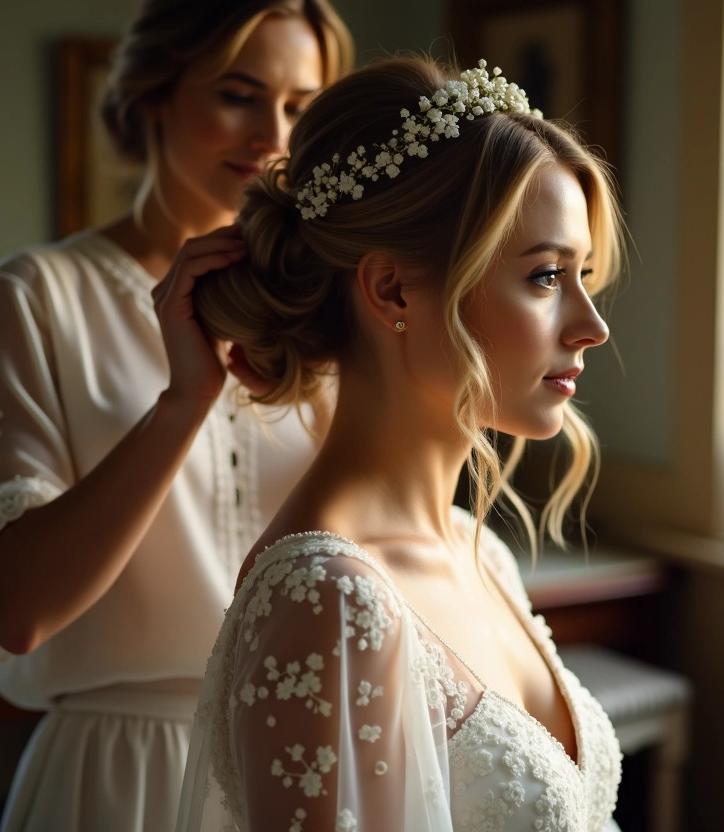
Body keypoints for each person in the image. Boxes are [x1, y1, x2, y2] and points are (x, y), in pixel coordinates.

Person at [0, 1, 352, 829]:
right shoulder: (41, 295)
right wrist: (184, 402)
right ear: (156, 93)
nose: (272, 136)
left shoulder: (327, 309)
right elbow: (15, 611)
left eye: (299, 106)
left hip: (304, 762)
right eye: (238, 94)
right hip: (119, 775)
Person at [175, 56, 627, 831]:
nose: (593, 325)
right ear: (390, 290)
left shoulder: (474, 547)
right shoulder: (324, 600)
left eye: (583, 273)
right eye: (548, 277)